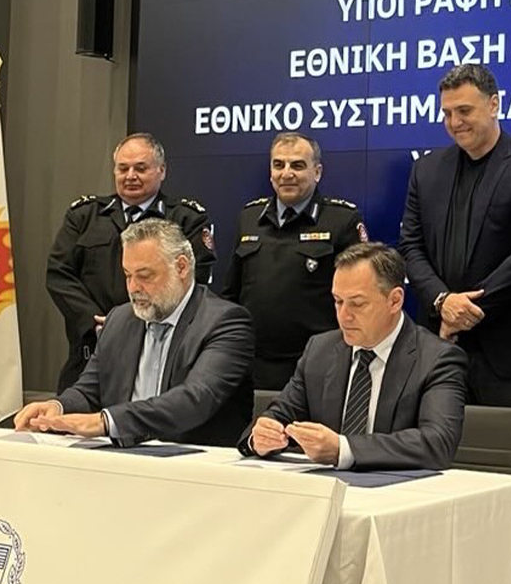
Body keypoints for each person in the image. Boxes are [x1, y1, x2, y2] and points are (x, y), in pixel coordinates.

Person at [397, 63, 511, 485]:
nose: (455, 122)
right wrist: (442, 302)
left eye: (464, 111)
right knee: (438, 478)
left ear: (494, 105)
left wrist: (465, 310)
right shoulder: (426, 170)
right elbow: (411, 246)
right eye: (447, 113)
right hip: (440, 349)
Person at [19, 218, 251, 447]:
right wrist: (58, 407)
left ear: (181, 267)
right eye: (127, 275)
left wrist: (107, 422)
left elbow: (194, 400)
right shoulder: (119, 319)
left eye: (144, 276)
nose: (133, 288)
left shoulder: (225, 322)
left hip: (194, 461)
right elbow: (90, 390)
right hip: (122, 456)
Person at [240, 242, 466, 471]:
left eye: (357, 304)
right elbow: (278, 415)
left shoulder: (437, 359)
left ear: (395, 300)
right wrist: (260, 437)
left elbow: (437, 443)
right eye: (338, 301)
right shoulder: (320, 350)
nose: (343, 316)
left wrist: (343, 449)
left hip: (398, 489)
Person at [46, 132, 216, 391]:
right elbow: (59, 274)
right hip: (91, 348)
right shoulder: (85, 215)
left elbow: (195, 278)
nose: (130, 176)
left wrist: (132, 322)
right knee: (74, 411)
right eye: (123, 168)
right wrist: (97, 321)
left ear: (162, 170)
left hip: (161, 349)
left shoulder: (185, 218)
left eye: (141, 168)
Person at [220, 131, 366, 389]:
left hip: (319, 364)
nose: (286, 173)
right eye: (279, 165)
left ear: (317, 172)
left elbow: (358, 298)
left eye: (297, 165)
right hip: (254, 364)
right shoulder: (249, 218)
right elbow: (231, 293)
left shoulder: (341, 220)